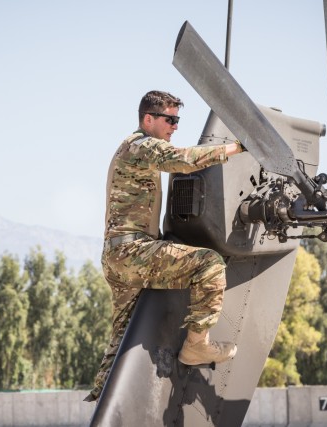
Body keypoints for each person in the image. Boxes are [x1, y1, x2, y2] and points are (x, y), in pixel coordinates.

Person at [85, 90, 244, 402]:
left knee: (124, 337)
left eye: (177, 120)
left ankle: (103, 396)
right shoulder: (140, 145)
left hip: (118, 257)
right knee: (209, 264)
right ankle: (197, 345)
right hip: (132, 252)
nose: (175, 127)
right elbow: (183, 160)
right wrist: (236, 147)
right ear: (148, 119)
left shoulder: (130, 149)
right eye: (169, 119)